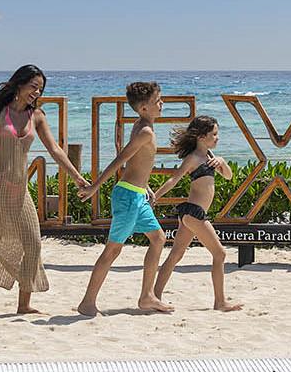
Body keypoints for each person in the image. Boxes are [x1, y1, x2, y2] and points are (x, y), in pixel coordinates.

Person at [0, 64, 89, 314]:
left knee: (33, 243)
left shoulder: (38, 116)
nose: (36, 92)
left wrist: (77, 177)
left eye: (40, 89)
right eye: (33, 86)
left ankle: (24, 305)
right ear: (19, 83)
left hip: (21, 191)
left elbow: (55, 150)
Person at [77, 81, 172, 317]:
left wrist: (146, 186)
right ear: (143, 108)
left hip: (137, 194)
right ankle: (87, 302)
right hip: (128, 197)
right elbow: (121, 160)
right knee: (113, 250)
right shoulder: (145, 131)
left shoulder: (143, 125)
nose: (162, 103)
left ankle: (147, 296)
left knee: (158, 238)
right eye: (157, 101)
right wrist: (95, 187)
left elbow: (137, 163)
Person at [153, 115, 242, 312]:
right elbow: (174, 180)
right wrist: (155, 197)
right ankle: (220, 302)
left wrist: (222, 162)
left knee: (176, 254)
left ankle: (154, 296)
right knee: (220, 253)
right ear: (201, 136)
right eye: (214, 134)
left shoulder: (210, 157)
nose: (217, 138)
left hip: (191, 214)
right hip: (194, 213)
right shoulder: (193, 158)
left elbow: (228, 176)